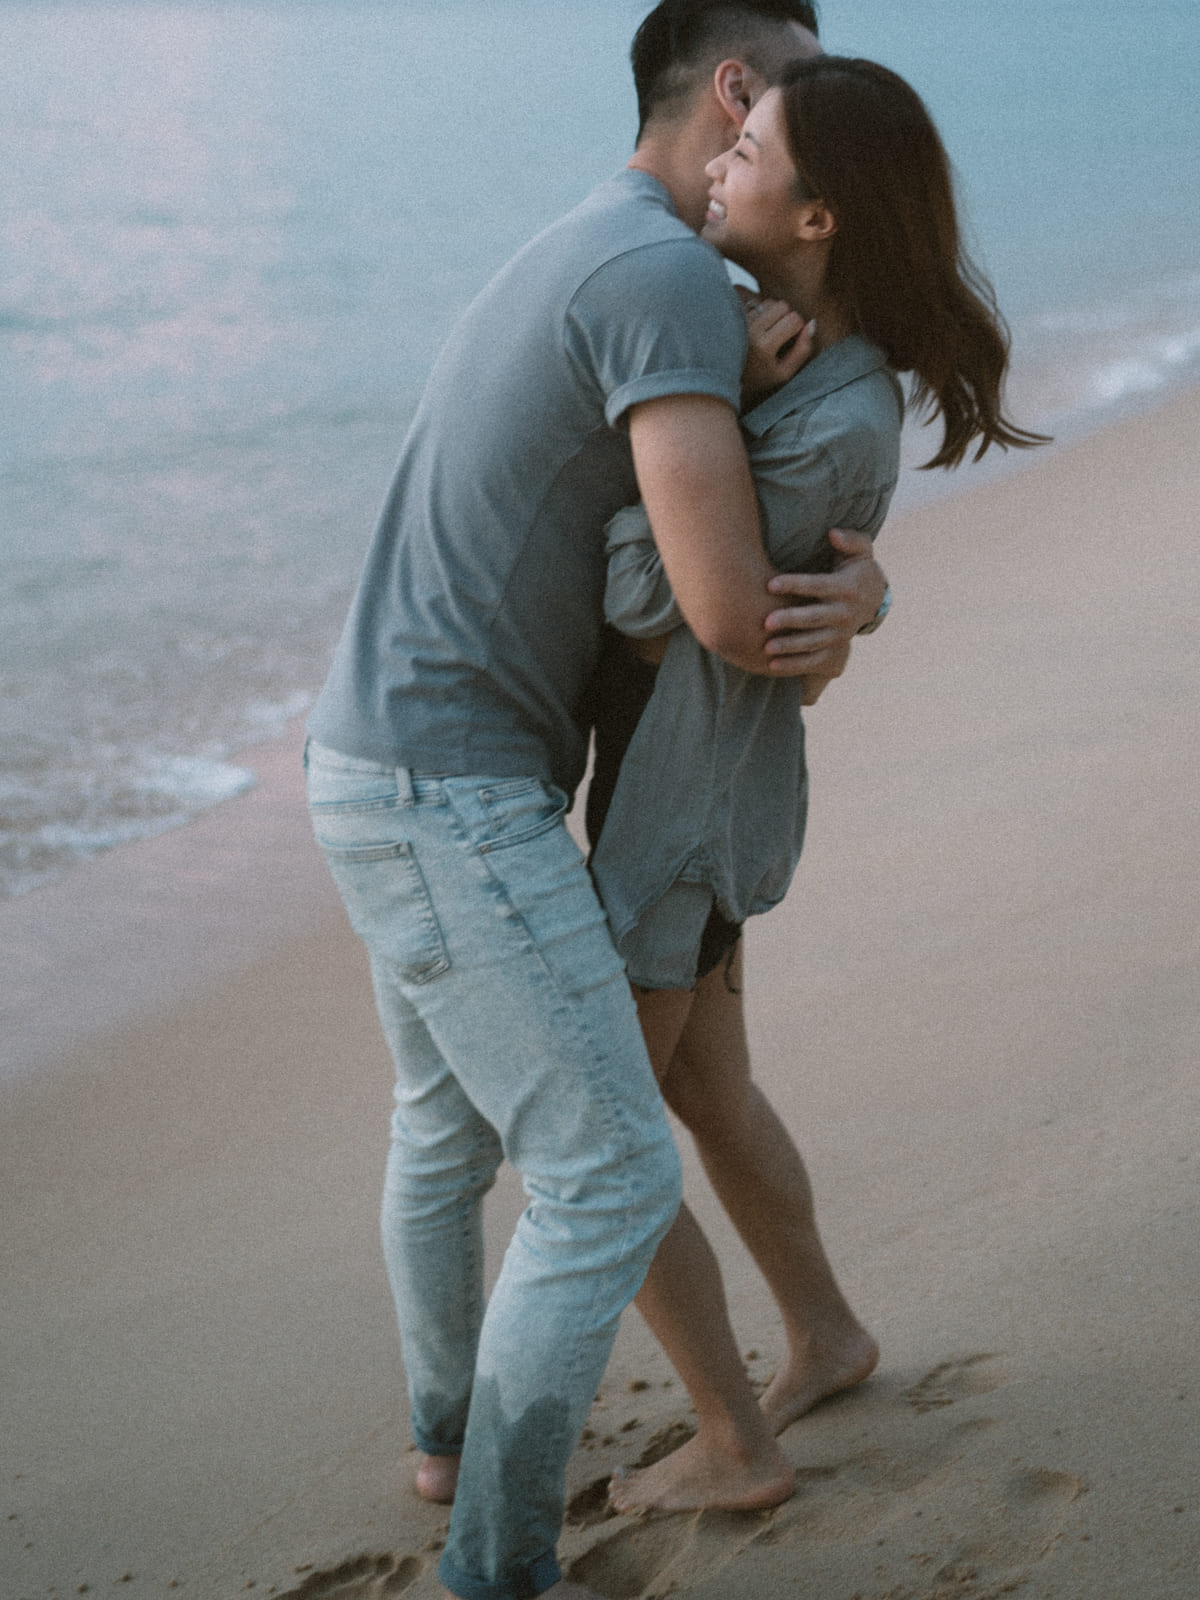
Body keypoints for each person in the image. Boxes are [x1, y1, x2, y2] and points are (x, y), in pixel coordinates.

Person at [304, 4, 889, 1597]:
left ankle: (449, 1444)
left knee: (449, 1130)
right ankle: (496, 1562)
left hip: (369, 748)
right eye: (794, 92)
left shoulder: (594, 243)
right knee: (610, 1172)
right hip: (453, 787)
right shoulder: (668, 284)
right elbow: (710, 608)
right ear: (737, 90)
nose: (805, 120)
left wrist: (836, 566)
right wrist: (862, 599)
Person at [588, 54, 1045, 1515]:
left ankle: (734, 1445)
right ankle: (829, 1336)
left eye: (754, 146)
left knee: (597, 1142)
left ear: (819, 217)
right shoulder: (816, 380)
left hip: (681, 819)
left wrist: (691, 416)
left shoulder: (823, 413)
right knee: (711, 1093)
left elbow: (638, 598)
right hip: (704, 794)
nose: (721, 158)